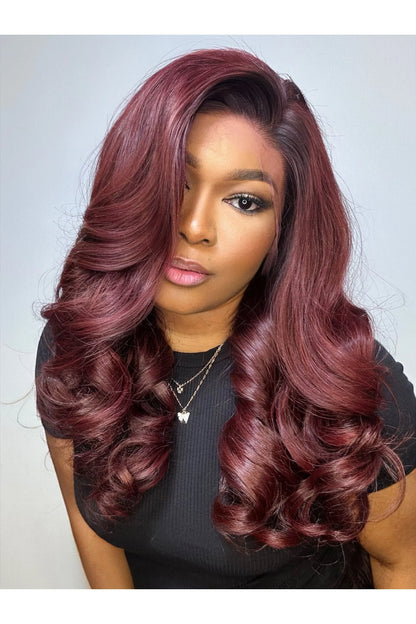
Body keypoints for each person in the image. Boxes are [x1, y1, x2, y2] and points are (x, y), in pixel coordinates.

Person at [35, 48, 416, 589]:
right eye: (176, 179)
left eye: (243, 201)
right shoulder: (76, 345)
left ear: (283, 230)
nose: (194, 227)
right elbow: (90, 525)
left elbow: (404, 564)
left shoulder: (347, 383)